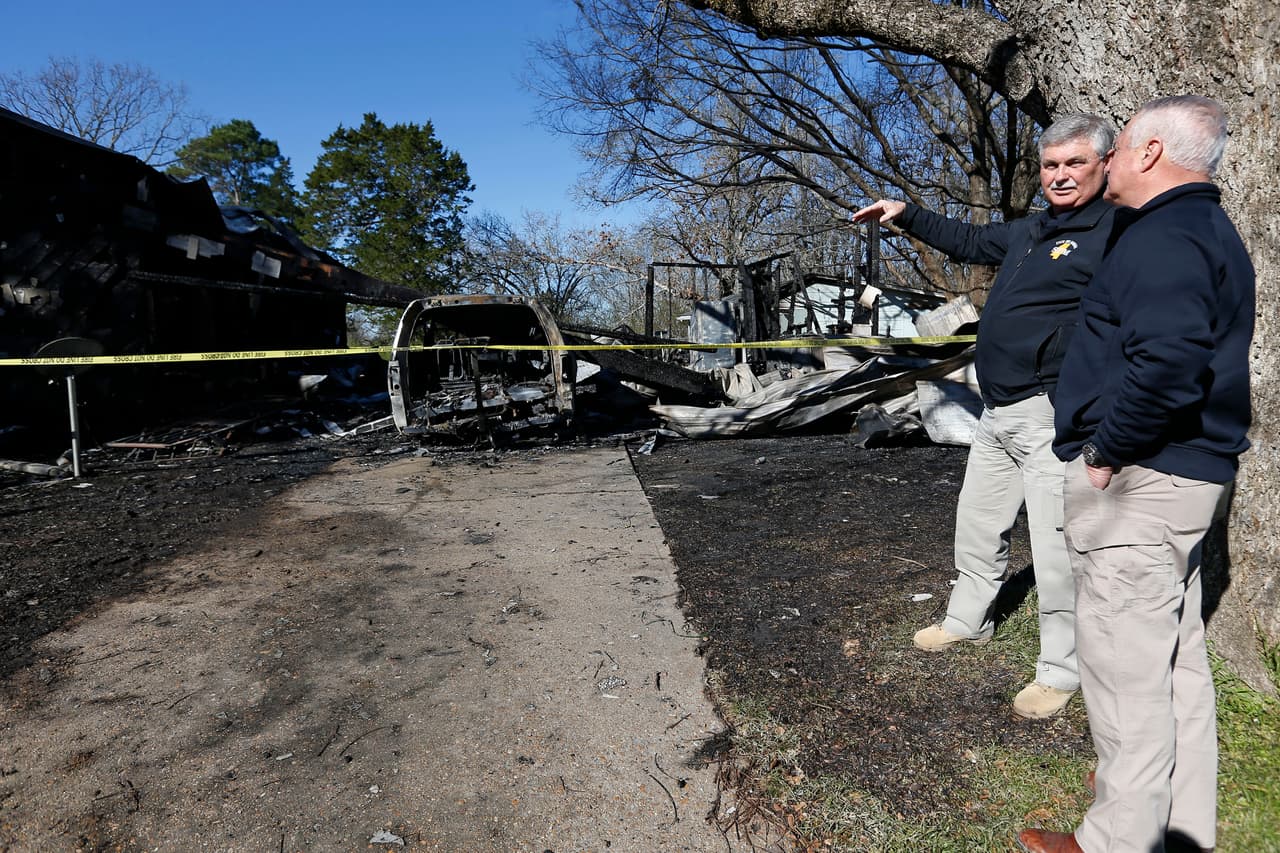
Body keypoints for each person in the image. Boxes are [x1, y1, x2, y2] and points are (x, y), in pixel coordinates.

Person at [1017, 95, 1254, 853]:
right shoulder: (1199, 230)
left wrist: (1103, 452)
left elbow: (1168, 363)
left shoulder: (1166, 237)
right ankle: (1180, 831)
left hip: (1140, 482)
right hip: (1181, 479)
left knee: (1124, 677)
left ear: (1149, 153)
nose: (1106, 162)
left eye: (1115, 149)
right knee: (1174, 666)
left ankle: (1115, 843)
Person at [853, 114, 1115, 719]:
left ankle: (1061, 669)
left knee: (1055, 549)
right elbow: (970, 241)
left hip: (1054, 415)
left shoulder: (1117, 233)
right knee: (977, 524)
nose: (1061, 175)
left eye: (1075, 163)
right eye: (1051, 165)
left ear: (1105, 164)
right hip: (998, 413)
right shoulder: (1031, 231)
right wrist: (907, 213)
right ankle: (968, 622)